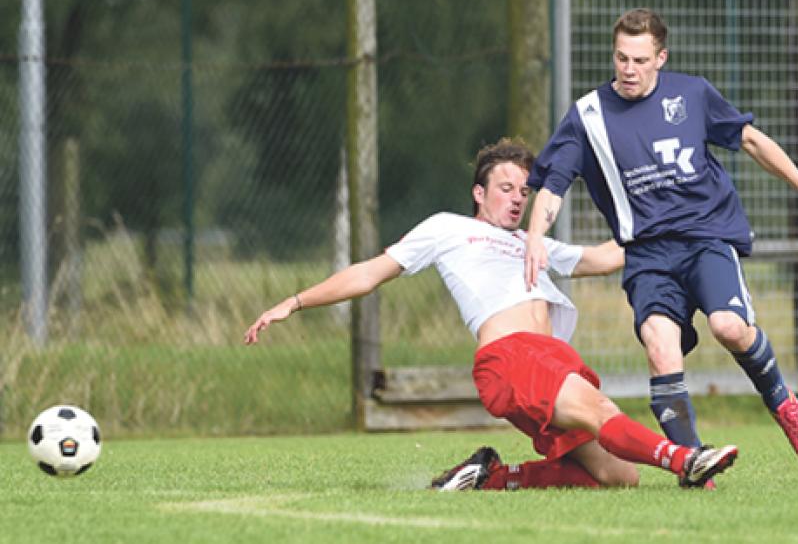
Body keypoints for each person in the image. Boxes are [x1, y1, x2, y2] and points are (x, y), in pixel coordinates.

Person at [244, 137, 738, 491]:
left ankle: (493, 477)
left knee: (617, 477)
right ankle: (686, 460)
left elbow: (606, 257)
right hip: (515, 358)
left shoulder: (532, 243)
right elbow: (370, 272)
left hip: (551, 361)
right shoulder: (449, 229)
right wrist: (295, 301)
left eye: (525, 191)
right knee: (602, 413)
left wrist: (674, 224)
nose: (517, 198)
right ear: (479, 194)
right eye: (505, 187)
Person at [523, 8, 798, 469]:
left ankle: (782, 401)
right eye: (621, 59)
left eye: (639, 60)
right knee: (661, 349)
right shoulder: (588, 117)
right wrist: (535, 235)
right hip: (648, 255)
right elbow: (554, 185)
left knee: (729, 327)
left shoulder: (692, 94)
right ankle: (692, 464)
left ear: (660, 58)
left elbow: (750, 140)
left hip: (705, 237)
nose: (628, 70)